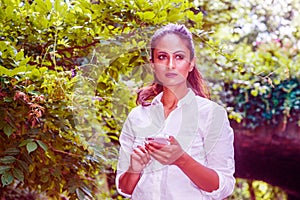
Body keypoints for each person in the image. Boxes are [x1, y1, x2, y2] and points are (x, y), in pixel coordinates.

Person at [115, 23, 235, 200]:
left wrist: (182, 160)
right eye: (162, 57)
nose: (170, 65)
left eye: (179, 57)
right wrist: (134, 169)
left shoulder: (211, 115)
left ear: (191, 63)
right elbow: (125, 189)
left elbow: (224, 186)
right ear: (153, 65)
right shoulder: (137, 116)